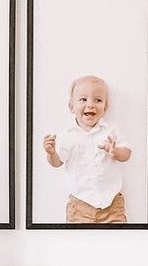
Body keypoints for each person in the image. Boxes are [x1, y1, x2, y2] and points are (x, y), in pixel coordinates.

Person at [43, 75, 131, 223]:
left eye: (98, 100)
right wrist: (51, 153)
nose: (90, 105)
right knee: (79, 243)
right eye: (83, 99)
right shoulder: (67, 135)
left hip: (112, 205)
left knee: (117, 242)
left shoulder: (110, 131)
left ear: (105, 107)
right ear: (71, 107)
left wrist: (115, 152)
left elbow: (127, 153)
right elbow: (57, 162)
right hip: (80, 206)